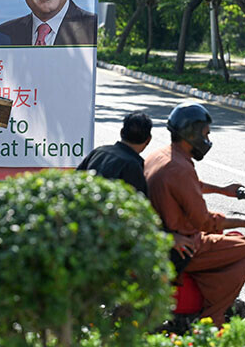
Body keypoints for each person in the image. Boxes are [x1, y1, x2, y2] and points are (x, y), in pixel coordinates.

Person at [144, 101, 245, 327]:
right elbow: (205, 221)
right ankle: (213, 317)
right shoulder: (180, 168)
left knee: (235, 238)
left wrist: (223, 190)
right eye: (205, 134)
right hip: (187, 244)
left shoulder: (163, 155)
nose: (207, 140)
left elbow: (190, 185)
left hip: (168, 235)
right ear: (192, 134)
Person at [77, 110, 201, 272]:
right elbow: (142, 215)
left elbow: (76, 181)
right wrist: (170, 237)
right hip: (110, 239)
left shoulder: (99, 152)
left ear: (122, 132)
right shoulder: (134, 167)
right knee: (180, 255)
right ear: (148, 140)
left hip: (83, 228)